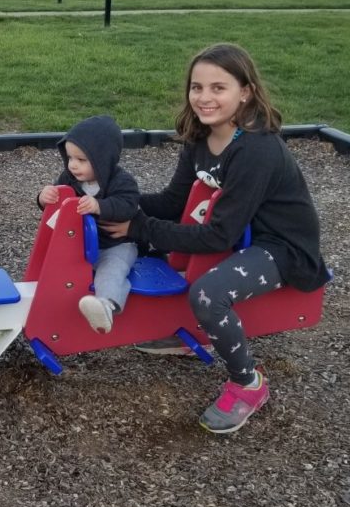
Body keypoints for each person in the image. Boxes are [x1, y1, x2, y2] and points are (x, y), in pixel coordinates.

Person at [103, 43, 330, 434]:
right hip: (239, 234)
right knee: (155, 249)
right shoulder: (201, 138)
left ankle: (248, 384)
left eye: (218, 88)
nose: (204, 98)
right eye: (197, 87)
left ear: (246, 92)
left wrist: (138, 226)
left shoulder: (257, 149)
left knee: (208, 293)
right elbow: (173, 202)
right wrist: (113, 205)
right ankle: (194, 336)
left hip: (282, 246)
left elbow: (218, 236)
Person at [37, 115, 139, 333]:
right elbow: (57, 208)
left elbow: (128, 206)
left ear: (102, 159)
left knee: (112, 271)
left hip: (116, 245)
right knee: (56, 263)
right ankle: (48, 303)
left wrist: (100, 206)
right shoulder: (69, 178)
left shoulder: (121, 181)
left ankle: (105, 306)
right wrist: (44, 198)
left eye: (81, 160)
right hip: (80, 245)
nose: (73, 165)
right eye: (70, 157)